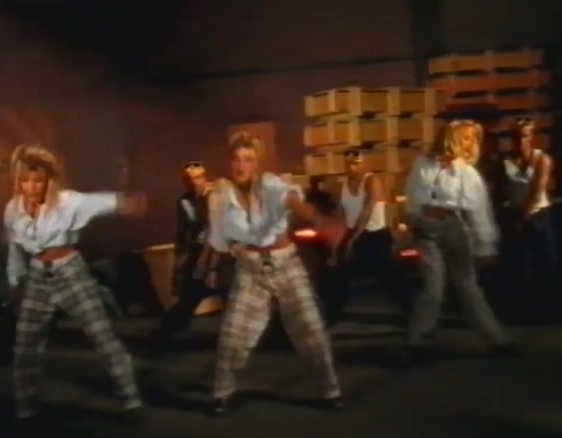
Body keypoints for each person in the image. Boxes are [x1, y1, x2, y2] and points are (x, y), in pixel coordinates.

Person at [203, 131, 346, 416]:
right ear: (229, 163)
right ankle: (222, 393)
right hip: (250, 269)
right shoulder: (220, 196)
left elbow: (290, 199)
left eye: (248, 160)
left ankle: (331, 390)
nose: (241, 166)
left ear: (256, 164)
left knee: (311, 330)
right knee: (233, 336)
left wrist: (317, 219)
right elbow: (217, 238)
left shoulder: (269, 184)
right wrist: (210, 267)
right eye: (236, 160)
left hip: (286, 265)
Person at [4, 144, 148, 423]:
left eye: (37, 180)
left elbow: (103, 201)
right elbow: (15, 249)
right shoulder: (13, 209)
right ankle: (25, 409)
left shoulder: (68, 201)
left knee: (102, 335)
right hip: (36, 277)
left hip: (70, 273)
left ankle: (132, 399)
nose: (31, 187)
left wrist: (127, 201)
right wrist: (14, 283)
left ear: (48, 180)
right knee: (25, 346)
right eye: (25, 180)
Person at [404, 120, 516, 361]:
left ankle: (495, 339)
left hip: (454, 228)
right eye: (465, 137)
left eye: (472, 139)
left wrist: (485, 245)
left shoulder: (467, 173)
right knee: (432, 288)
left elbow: (479, 212)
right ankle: (416, 341)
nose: (470, 143)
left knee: (467, 286)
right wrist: (414, 218)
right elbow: (412, 193)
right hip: (426, 230)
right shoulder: (423, 163)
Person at [319, 149, 411, 326]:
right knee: (337, 275)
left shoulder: (371, 180)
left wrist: (353, 240)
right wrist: (337, 244)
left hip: (375, 236)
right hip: (354, 234)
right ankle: (331, 316)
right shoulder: (343, 185)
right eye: (348, 164)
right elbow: (342, 216)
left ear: (363, 164)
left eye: (355, 163)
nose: (351, 167)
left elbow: (366, 211)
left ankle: (413, 313)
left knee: (392, 280)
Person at [149, 161, 216, 353]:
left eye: (198, 177)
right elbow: (183, 231)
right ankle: (165, 336)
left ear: (205, 177)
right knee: (189, 296)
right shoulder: (185, 201)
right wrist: (181, 255)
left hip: (220, 251)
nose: (194, 182)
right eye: (189, 179)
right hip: (198, 252)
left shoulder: (216, 196)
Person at [497, 118, 557, 314]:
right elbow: (499, 190)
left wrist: (524, 217)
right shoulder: (504, 161)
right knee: (520, 262)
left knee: (543, 259)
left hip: (537, 214)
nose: (520, 141)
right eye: (516, 137)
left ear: (532, 137)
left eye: (524, 136)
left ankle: (547, 305)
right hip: (513, 214)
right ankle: (523, 306)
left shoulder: (541, 159)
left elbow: (538, 190)